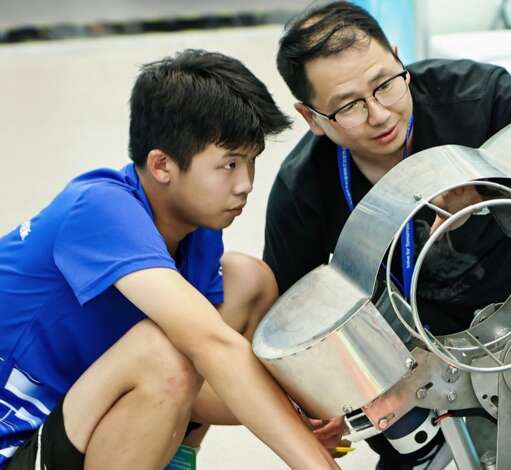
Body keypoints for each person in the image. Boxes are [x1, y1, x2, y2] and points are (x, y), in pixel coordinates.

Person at [263, 2, 511, 468]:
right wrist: (318, 404)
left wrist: (494, 201)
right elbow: (292, 320)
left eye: (385, 84)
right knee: (412, 448)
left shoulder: (482, 99)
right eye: (349, 106)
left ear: (398, 58)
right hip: (412, 364)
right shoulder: (303, 188)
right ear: (311, 117)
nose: (380, 114)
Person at [0, 49, 338, 469]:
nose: (245, 184)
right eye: (229, 164)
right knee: (168, 354)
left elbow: (207, 386)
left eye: (251, 161)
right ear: (162, 165)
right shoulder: (99, 209)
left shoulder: (197, 230)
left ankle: (175, 460)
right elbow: (212, 349)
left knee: (246, 282)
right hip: (14, 443)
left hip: (70, 416)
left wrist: (306, 411)